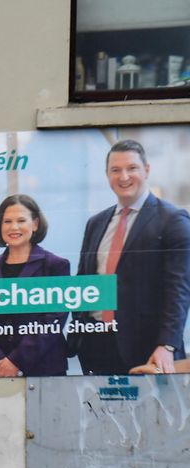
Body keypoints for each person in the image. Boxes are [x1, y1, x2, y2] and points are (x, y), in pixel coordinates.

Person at [68, 139, 190, 375]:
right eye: (116, 170)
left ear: (146, 170)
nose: (124, 177)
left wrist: (166, 345)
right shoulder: (96, 223)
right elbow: (84, 281)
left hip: (150, 351)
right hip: (97, 347)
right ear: (107, 175)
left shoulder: (173, 220)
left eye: (132, 168)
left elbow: (179, 290)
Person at [0, 195, 71, 377]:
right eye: (7, 221)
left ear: (35, 224)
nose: (14, 227)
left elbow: (53, 320)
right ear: (0, 226)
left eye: (21, 220)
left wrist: (16, 361)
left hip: (44, 369)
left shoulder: (56, 265)